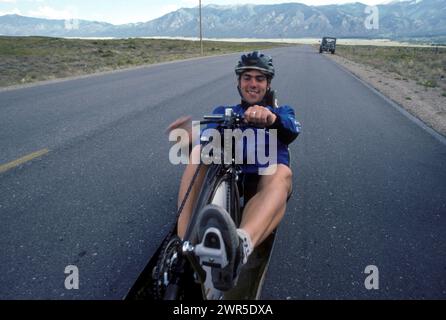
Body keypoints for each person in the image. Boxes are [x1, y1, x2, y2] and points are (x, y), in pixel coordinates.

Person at [167, 51, 300, 291]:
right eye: (247, 77)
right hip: (230, 170)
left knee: (282, 172)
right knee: (198, 154)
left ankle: (240, 246)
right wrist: (187, 140)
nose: (253, 83)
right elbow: (203, 144)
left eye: (260, 79)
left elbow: (291, 131)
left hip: (263, 179)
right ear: (238, 82)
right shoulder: (223, 112)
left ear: (268, 84)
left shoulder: (282, 113)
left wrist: (270, 119)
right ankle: (182, 245)